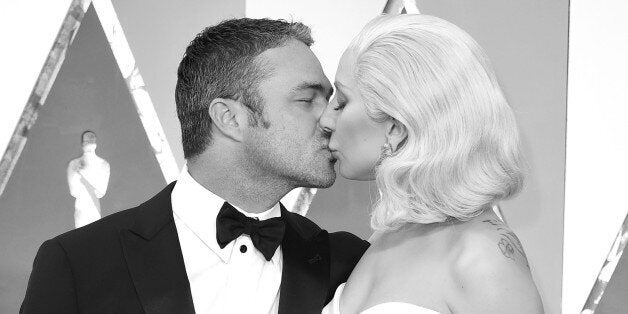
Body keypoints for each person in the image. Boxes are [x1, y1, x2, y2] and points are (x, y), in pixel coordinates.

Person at [21, 18, 368, 314]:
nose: (331, 118)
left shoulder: (350, 264)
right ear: (229, 117)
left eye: (333, 99)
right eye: (308, 99)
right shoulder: (77, 262)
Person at [320, 14, 544, 314]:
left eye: (343, 102)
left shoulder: (483, 258)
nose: (326, 119)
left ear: (396, 127)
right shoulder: (387, 236)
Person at [67, 130, 110, 228]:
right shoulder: (73, 164)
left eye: (92, 141)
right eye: (87, 142)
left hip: (94, 209)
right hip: (81, 208)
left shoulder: (104, 165)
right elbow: (73, 191)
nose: (89, 145)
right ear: (82, 144)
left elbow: (101, 192)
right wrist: (77, 173)